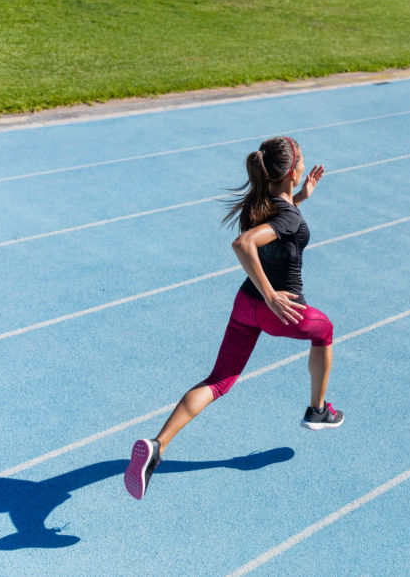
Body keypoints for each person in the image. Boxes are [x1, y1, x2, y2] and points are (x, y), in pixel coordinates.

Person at [124, 136, 343, 500]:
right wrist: (273, 295)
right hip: (280, 313)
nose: (305, 162)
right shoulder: (284, 215)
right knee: (325, 331)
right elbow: (244, 244)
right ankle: (318, 410)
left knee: (219, 380)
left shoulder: (264, 203)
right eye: (301, 158)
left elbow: (279, 226)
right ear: (292, 170)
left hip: (245, 306)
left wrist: (300, 197)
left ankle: (157, 445)